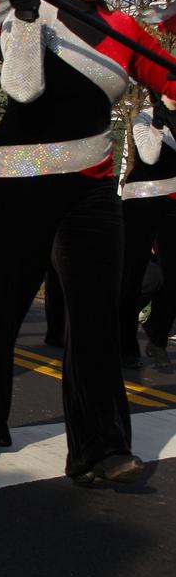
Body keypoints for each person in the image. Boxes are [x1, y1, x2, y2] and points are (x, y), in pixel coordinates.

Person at [0, 0, 176, 485]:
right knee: (2, 303)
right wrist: (27, 13)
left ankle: (100, 449)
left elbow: (169, 81)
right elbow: (23, 88)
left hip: (91, 183)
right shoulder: (28, 10)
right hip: (17, 180)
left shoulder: (125, 28)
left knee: (96, 316)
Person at [119, 93, 176, 370]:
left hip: (170, 205)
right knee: (134, 275)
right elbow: (150, 156)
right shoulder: (144, 118)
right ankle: (124, 343)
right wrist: (157, 122)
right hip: (140, 202)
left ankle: (157, 332)